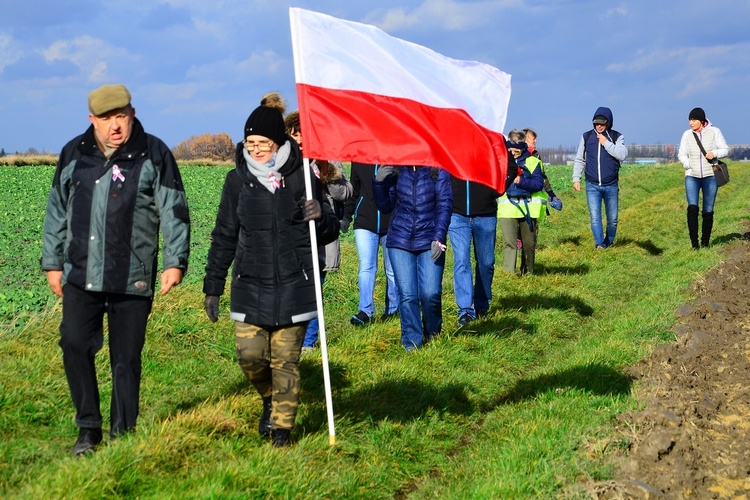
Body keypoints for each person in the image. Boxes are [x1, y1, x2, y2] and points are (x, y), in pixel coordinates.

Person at [41, 84, 191, 456]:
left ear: (133, 113)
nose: (115, 126)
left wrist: (175, 261)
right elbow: (57, 210)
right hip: (80, 273)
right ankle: (88, 429)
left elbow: (174, 211)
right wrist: (52, 263)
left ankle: (123, 433)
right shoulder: (74, 153)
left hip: (133, 274)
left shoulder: (154, 153)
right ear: (92, 120)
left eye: (121, 116)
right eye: (106, 119)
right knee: (74, 344)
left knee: (126, 358)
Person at [203, 93, 339, 447]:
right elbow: (224, 235)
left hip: (295, 283)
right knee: (250, 357)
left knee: (286, 362)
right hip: (250, 283)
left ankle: (282, 431)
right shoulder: (236, 182)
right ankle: (268, 398)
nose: (257, 149)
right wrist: (213, 284)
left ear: (277, 141)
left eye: (264, 143)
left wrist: (320, 216)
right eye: (251, 143)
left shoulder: (303, 177)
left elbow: (329, 229)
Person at [284, 110, 353, 350]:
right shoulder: (282, 160)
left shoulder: (326, 157)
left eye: (303, 133)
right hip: (290, 238)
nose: (300, 139)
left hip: (321, 237)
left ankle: (309, 343)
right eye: (295, 134)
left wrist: (326, 174)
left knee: (313, 290)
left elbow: (346, 193)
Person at [372, 165, 452, 351]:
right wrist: (378, 182)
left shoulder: (438, 168)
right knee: (407, 295)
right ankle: (412, 341)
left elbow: (444, 203)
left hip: (430, 237)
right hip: (400, 238)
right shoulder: (397, 170)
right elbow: (384, 206)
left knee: (430, 293)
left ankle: (433, 332)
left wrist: (439, 236)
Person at [342, 163, 400, 326]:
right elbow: (353, 188)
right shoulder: (359, 157)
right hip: (365, 220)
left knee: (392, 269)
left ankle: (393, 309)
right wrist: (347, 216)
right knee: (367, 266)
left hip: (391, 220)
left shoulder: (393, 156)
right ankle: (365, 311)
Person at [448, 173, 501, 327]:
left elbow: (508, 165)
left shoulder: (489, 147)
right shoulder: (452, 148)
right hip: (456, 213)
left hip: (486, 213)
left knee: (486, 263)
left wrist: (495, 191)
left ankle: (482, 305)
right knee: (462, 260)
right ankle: (465, 310)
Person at [572, 107, 628, 249]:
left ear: (608, 123)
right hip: (592, 185)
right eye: (597, 123)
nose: (599, 126)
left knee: (613, 220)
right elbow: (580, 159)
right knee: (595, 217)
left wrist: (606, 143)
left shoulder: (616, 137)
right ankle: (599, 244)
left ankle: (608, 242)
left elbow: (622, 154)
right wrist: (576, 178)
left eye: (602, 123)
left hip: (611, 185)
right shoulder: (586, 137)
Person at [677, 107, 729, 249]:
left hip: (710, 176)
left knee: (708, 210)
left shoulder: (714, 132)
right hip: (692, 177)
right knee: (692, 208)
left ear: (701, 120)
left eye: (693, 120)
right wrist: (689, 165)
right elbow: (681, 154)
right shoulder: (687, 135)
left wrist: (714, 153)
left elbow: (725, 149)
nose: (690, 123)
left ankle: (705, 243)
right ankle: (694, 245)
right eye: (690, 120)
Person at [497, 130, 546, 275]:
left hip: (529, 209)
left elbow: (538, 183)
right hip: (507, 209)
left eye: (517, 150)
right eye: (511, 149)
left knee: (529, 244)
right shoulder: (501, 162)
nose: (514, 153)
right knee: (509, 243)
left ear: (523, 146)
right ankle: (509, 275)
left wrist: (521, 181)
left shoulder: (533, 162)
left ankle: (528, 273)